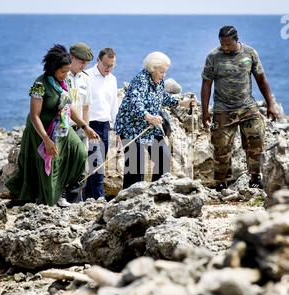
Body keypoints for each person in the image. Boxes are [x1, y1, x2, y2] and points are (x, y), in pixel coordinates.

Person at [6, 44, 99, 207]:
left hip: (61, 127)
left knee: (80, 154)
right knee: (50, 166)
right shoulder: (39, 84)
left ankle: (62, 190)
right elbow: (34, 116)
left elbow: (69, 109)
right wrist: (46, 140)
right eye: (63, 71)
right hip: (41, 130)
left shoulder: (64, 84)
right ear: (53, 68)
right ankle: (50, 201)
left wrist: (85, 127)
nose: (65, 75)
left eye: (67, 71)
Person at [201, 26, 278, 191]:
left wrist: (270, 104)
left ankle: (255, 179)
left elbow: (261, 79)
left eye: (228, 44)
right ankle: (221, 183)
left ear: (236, 40)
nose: (225, 47)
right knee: (221, 148)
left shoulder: (250, 53)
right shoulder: (213, 57)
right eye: (222, 44)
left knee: (256, 142)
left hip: (248, 107)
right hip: (223, 109)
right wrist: (205, 111)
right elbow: (206, 84)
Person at [115, 51, 195, 189]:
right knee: (135, 166)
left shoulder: (158, 81)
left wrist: (184, 103)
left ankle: (158, 191)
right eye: (162, 71)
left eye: (165, 72)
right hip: (131, 128)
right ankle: (130, 198)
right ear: (153, 68)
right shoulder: (140, 80)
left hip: (149, 128)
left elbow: (163, 97)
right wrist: (149, 117)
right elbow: (135, 103)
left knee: (163, 158)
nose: (164, 75)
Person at [83, 48, 118, 200]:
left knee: (96, 165)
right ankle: (100, 199)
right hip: (90, 125)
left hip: (105, 127)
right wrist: (84, 127)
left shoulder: (113, 79)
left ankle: (87, 199)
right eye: (106, 65)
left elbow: (113, 106)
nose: (108, 68)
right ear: (98, 61)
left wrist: (117, 130)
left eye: (112, 65)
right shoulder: (87, 76)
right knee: (97, 166)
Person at [67, 42, 94, 145]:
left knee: (81, 159)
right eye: (82, 62)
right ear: (71, 57)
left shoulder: (86, 78)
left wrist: (86, 130)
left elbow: (86, 107)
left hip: (79, 129)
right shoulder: (62, 76)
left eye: (86, 63)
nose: (84, 66)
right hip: (63, 129)